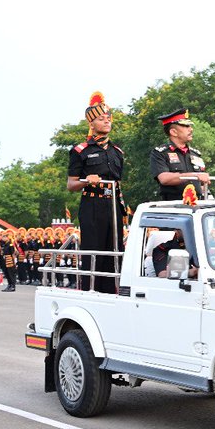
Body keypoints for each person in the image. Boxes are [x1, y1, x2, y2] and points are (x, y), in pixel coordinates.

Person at [67, 91, 126, 294]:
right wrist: (86, 181)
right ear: (91, 123)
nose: (107, 121)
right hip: (93, 206)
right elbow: (71, 184)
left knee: (115, 251)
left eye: (108, 118)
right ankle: (90, 291)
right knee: (94, 252)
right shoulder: (80, 150)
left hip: (113, 206)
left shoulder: (117, 152)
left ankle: (112, 292)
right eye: (101, 118)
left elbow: (119, 182)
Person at [151, 108, 210, 200]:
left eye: (190, 126)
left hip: (198, 205)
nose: (191, 129)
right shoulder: (161, 153)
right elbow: (164, 179)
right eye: (186, 126)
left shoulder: (195, 154)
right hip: (175, 208)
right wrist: (195, 175)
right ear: (173, 132)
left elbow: (201, 184)